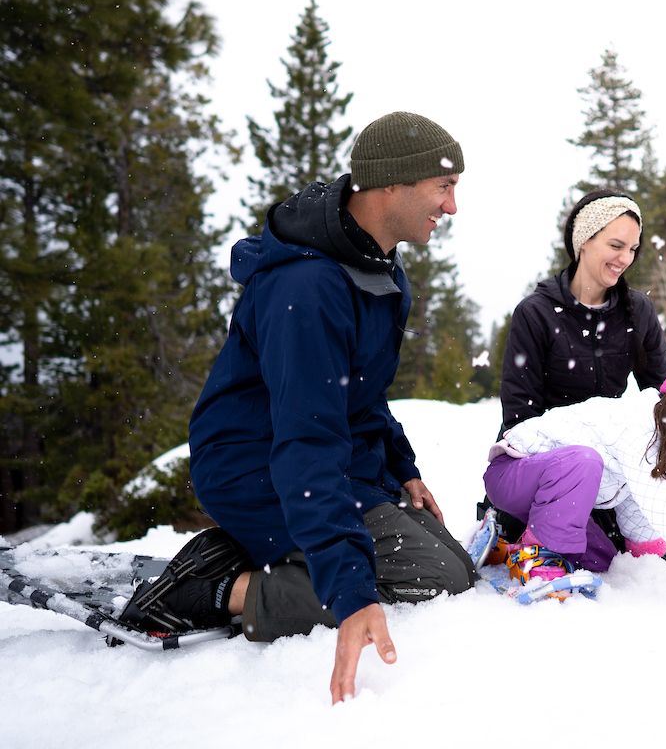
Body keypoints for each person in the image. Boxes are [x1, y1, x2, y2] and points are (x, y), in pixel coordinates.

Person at [119, 112, 477, 703]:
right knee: (410, 581)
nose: (453, 205)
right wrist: (351, 594)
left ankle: (268, 546)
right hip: (256, 466)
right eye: (444, 186)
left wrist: (402, 466)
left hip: (322, 460)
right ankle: (213, 586)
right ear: (390, 184)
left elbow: (362, 396)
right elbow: (305, 440)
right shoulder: (308, 289)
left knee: (450, 567)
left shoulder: (380, 270)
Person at [482, 332, 666, 610]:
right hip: (511, 472)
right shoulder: (639, 427)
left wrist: (658, 555)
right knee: (585, 461)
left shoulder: (660, 437)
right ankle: (538, 555)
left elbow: (637, 504)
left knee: (603, 559)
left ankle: (512, 548)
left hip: (542, 496)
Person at [486, 188, 666, 543]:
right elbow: (520, 418)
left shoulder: (638, 312)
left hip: (607, 461)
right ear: (583, 241)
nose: (625, 258)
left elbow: (665, 397)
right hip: (543, 459)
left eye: (632, 249)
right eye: (616, 245)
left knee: (627, 538)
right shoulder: (536, 314)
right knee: (588, 535)